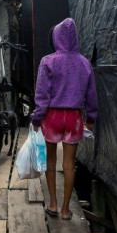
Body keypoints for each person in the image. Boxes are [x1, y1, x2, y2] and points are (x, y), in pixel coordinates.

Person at [31, 18, 97, 220]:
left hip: (52, 116)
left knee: (51, 161)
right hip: (74, 117)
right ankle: (66, 209)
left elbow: (42, 94)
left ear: (56, 38)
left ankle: (52, 204)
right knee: (69, 164)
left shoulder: (48, 61)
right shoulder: (84, 63)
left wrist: (36, 118)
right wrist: (91, 117)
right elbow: (91, 94)